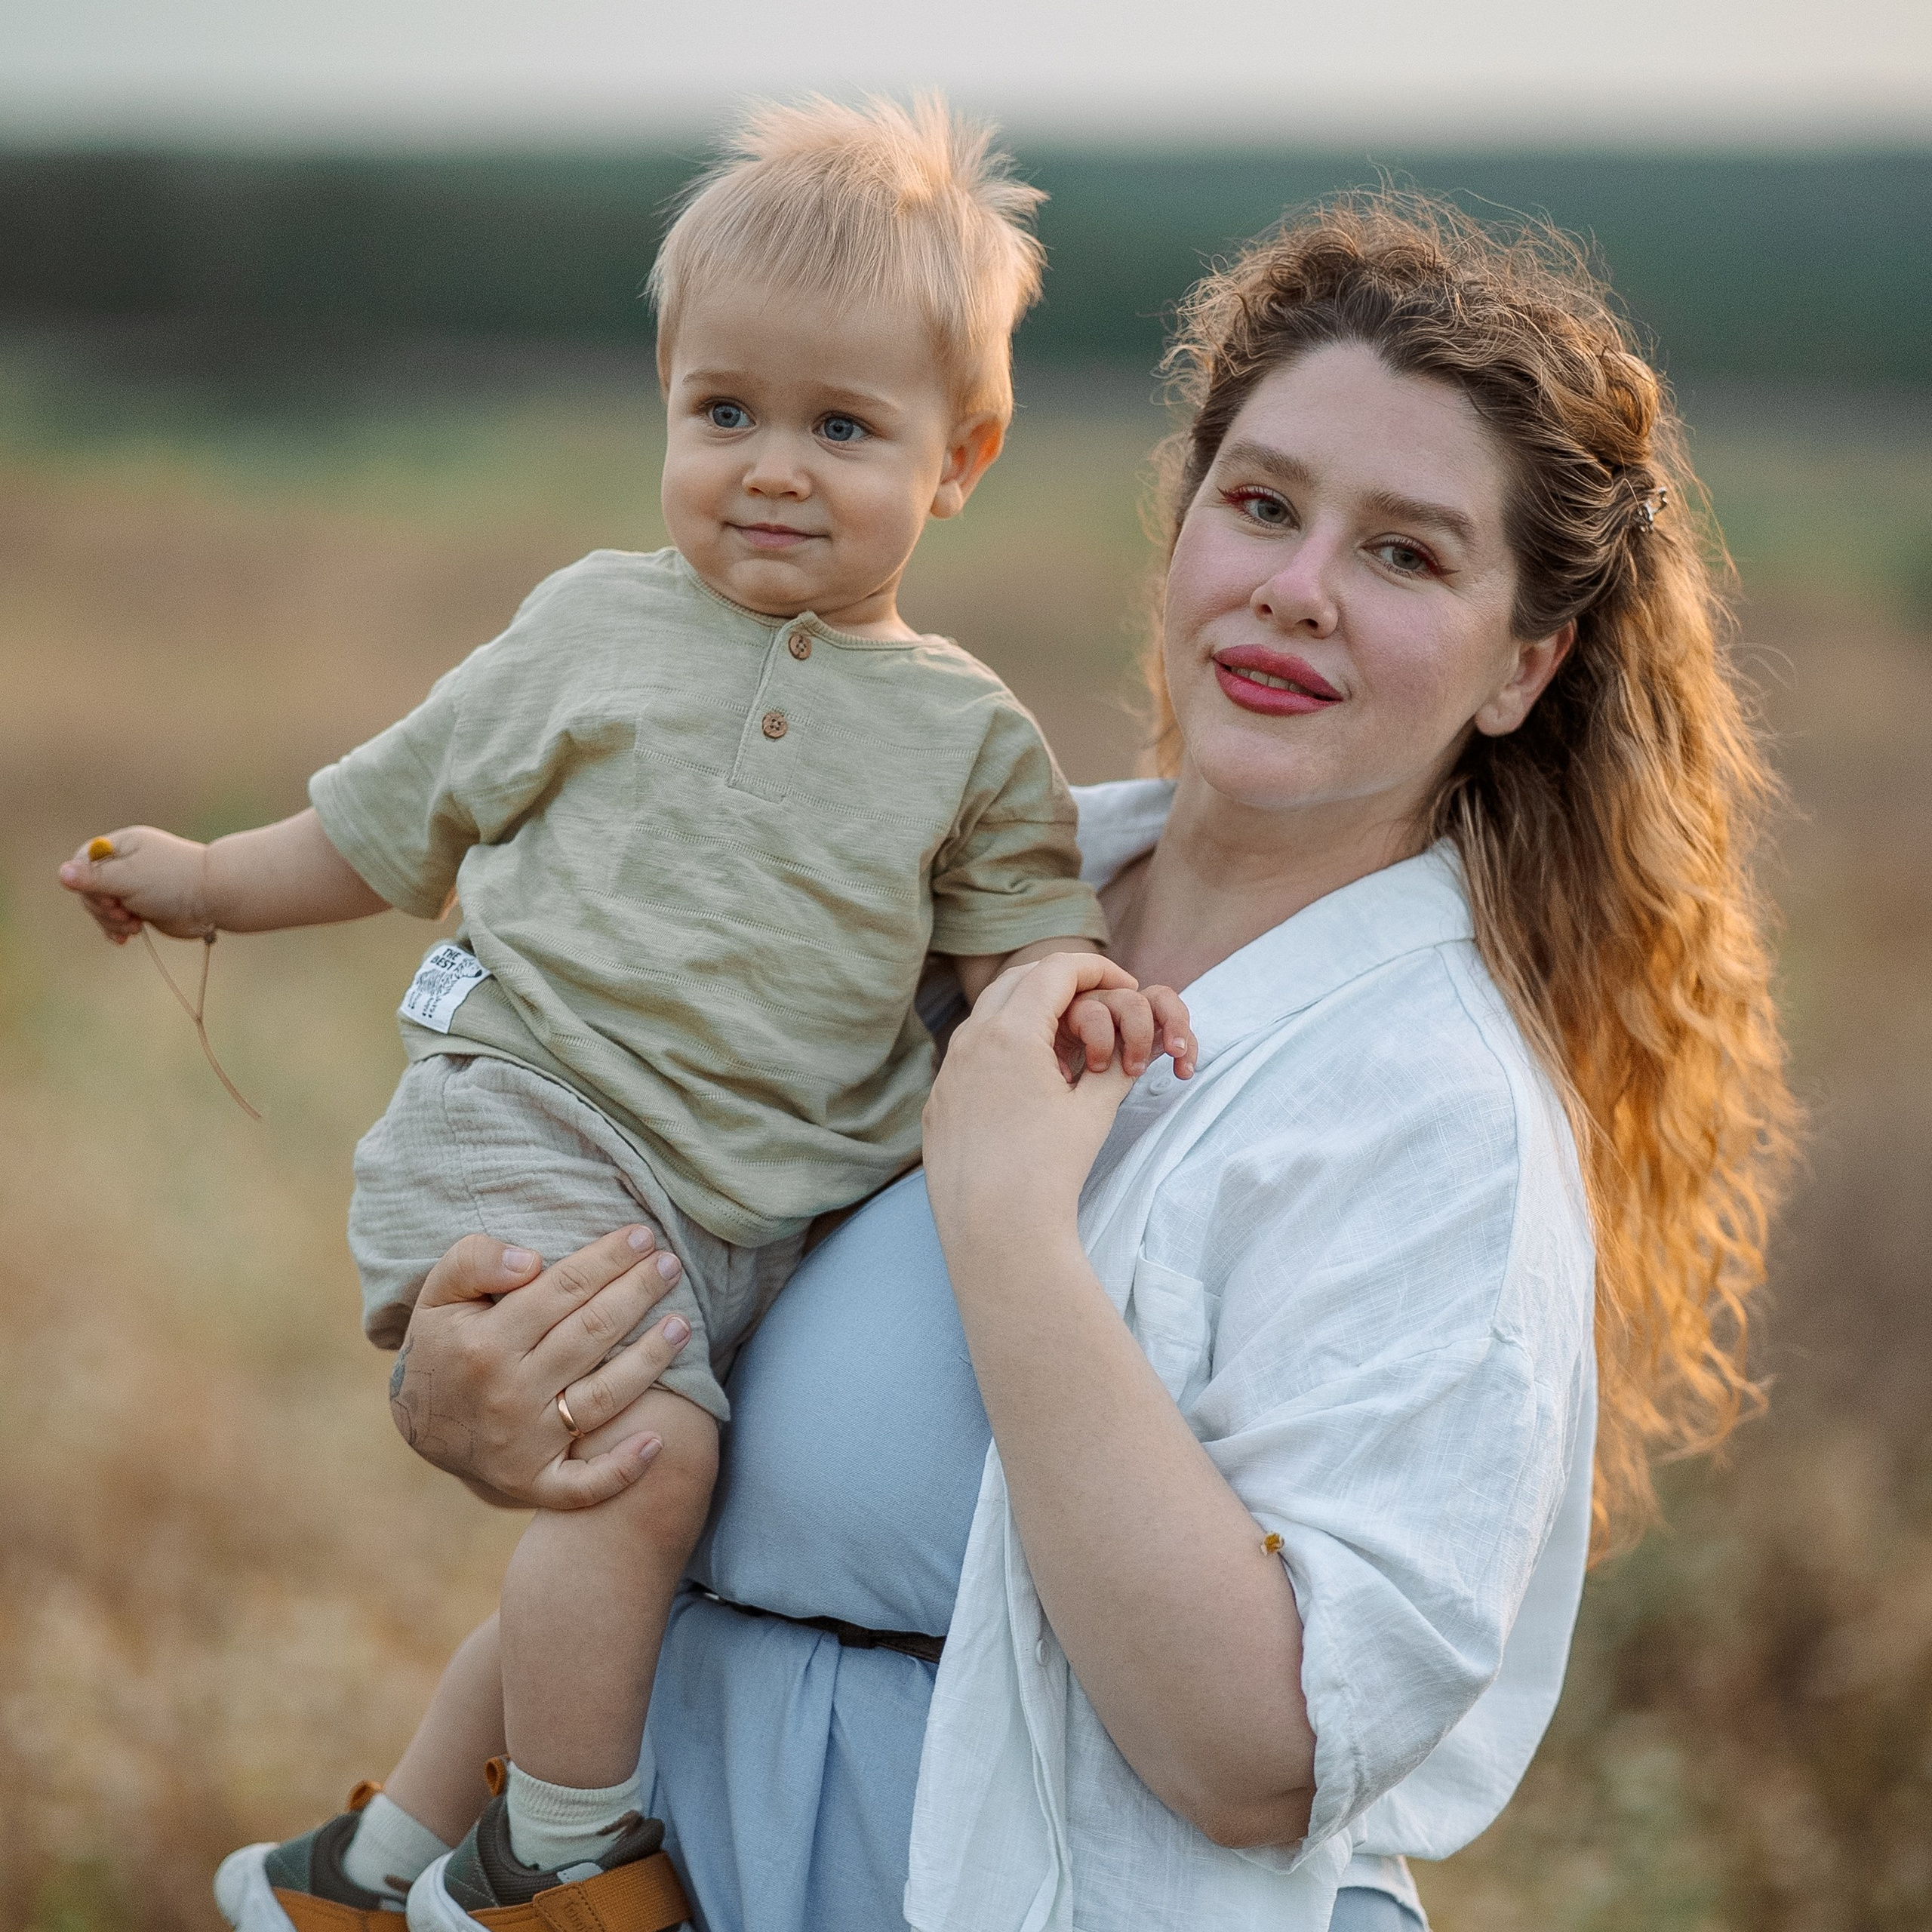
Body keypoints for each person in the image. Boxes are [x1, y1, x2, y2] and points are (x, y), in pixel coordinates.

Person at [386, 194, 1797, 1932]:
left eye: (1404, 553)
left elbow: (1257, 1754)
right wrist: (472, 1389)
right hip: (673, 1845)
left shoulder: (1434, 1112)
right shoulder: (927, 889)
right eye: (1261, 504)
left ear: (1524, 664)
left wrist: (1007, 1224)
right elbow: (595, 1147)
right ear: (1184, 522)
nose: (1294, 589)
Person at [56, 98, 1194, 1930]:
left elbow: (1015, 943)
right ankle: (564, 1853)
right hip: (537, 1117)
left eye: (842, 427)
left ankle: (370, 1862)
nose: (770, 466)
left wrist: (1089, 999)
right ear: (662, 399)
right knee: (641, 1469)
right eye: (722, 411)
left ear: (958, 455)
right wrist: (200, 878)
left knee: (635, 1537)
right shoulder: (590, 626)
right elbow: (382, 819)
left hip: (756, 1211)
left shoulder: (972, 736)